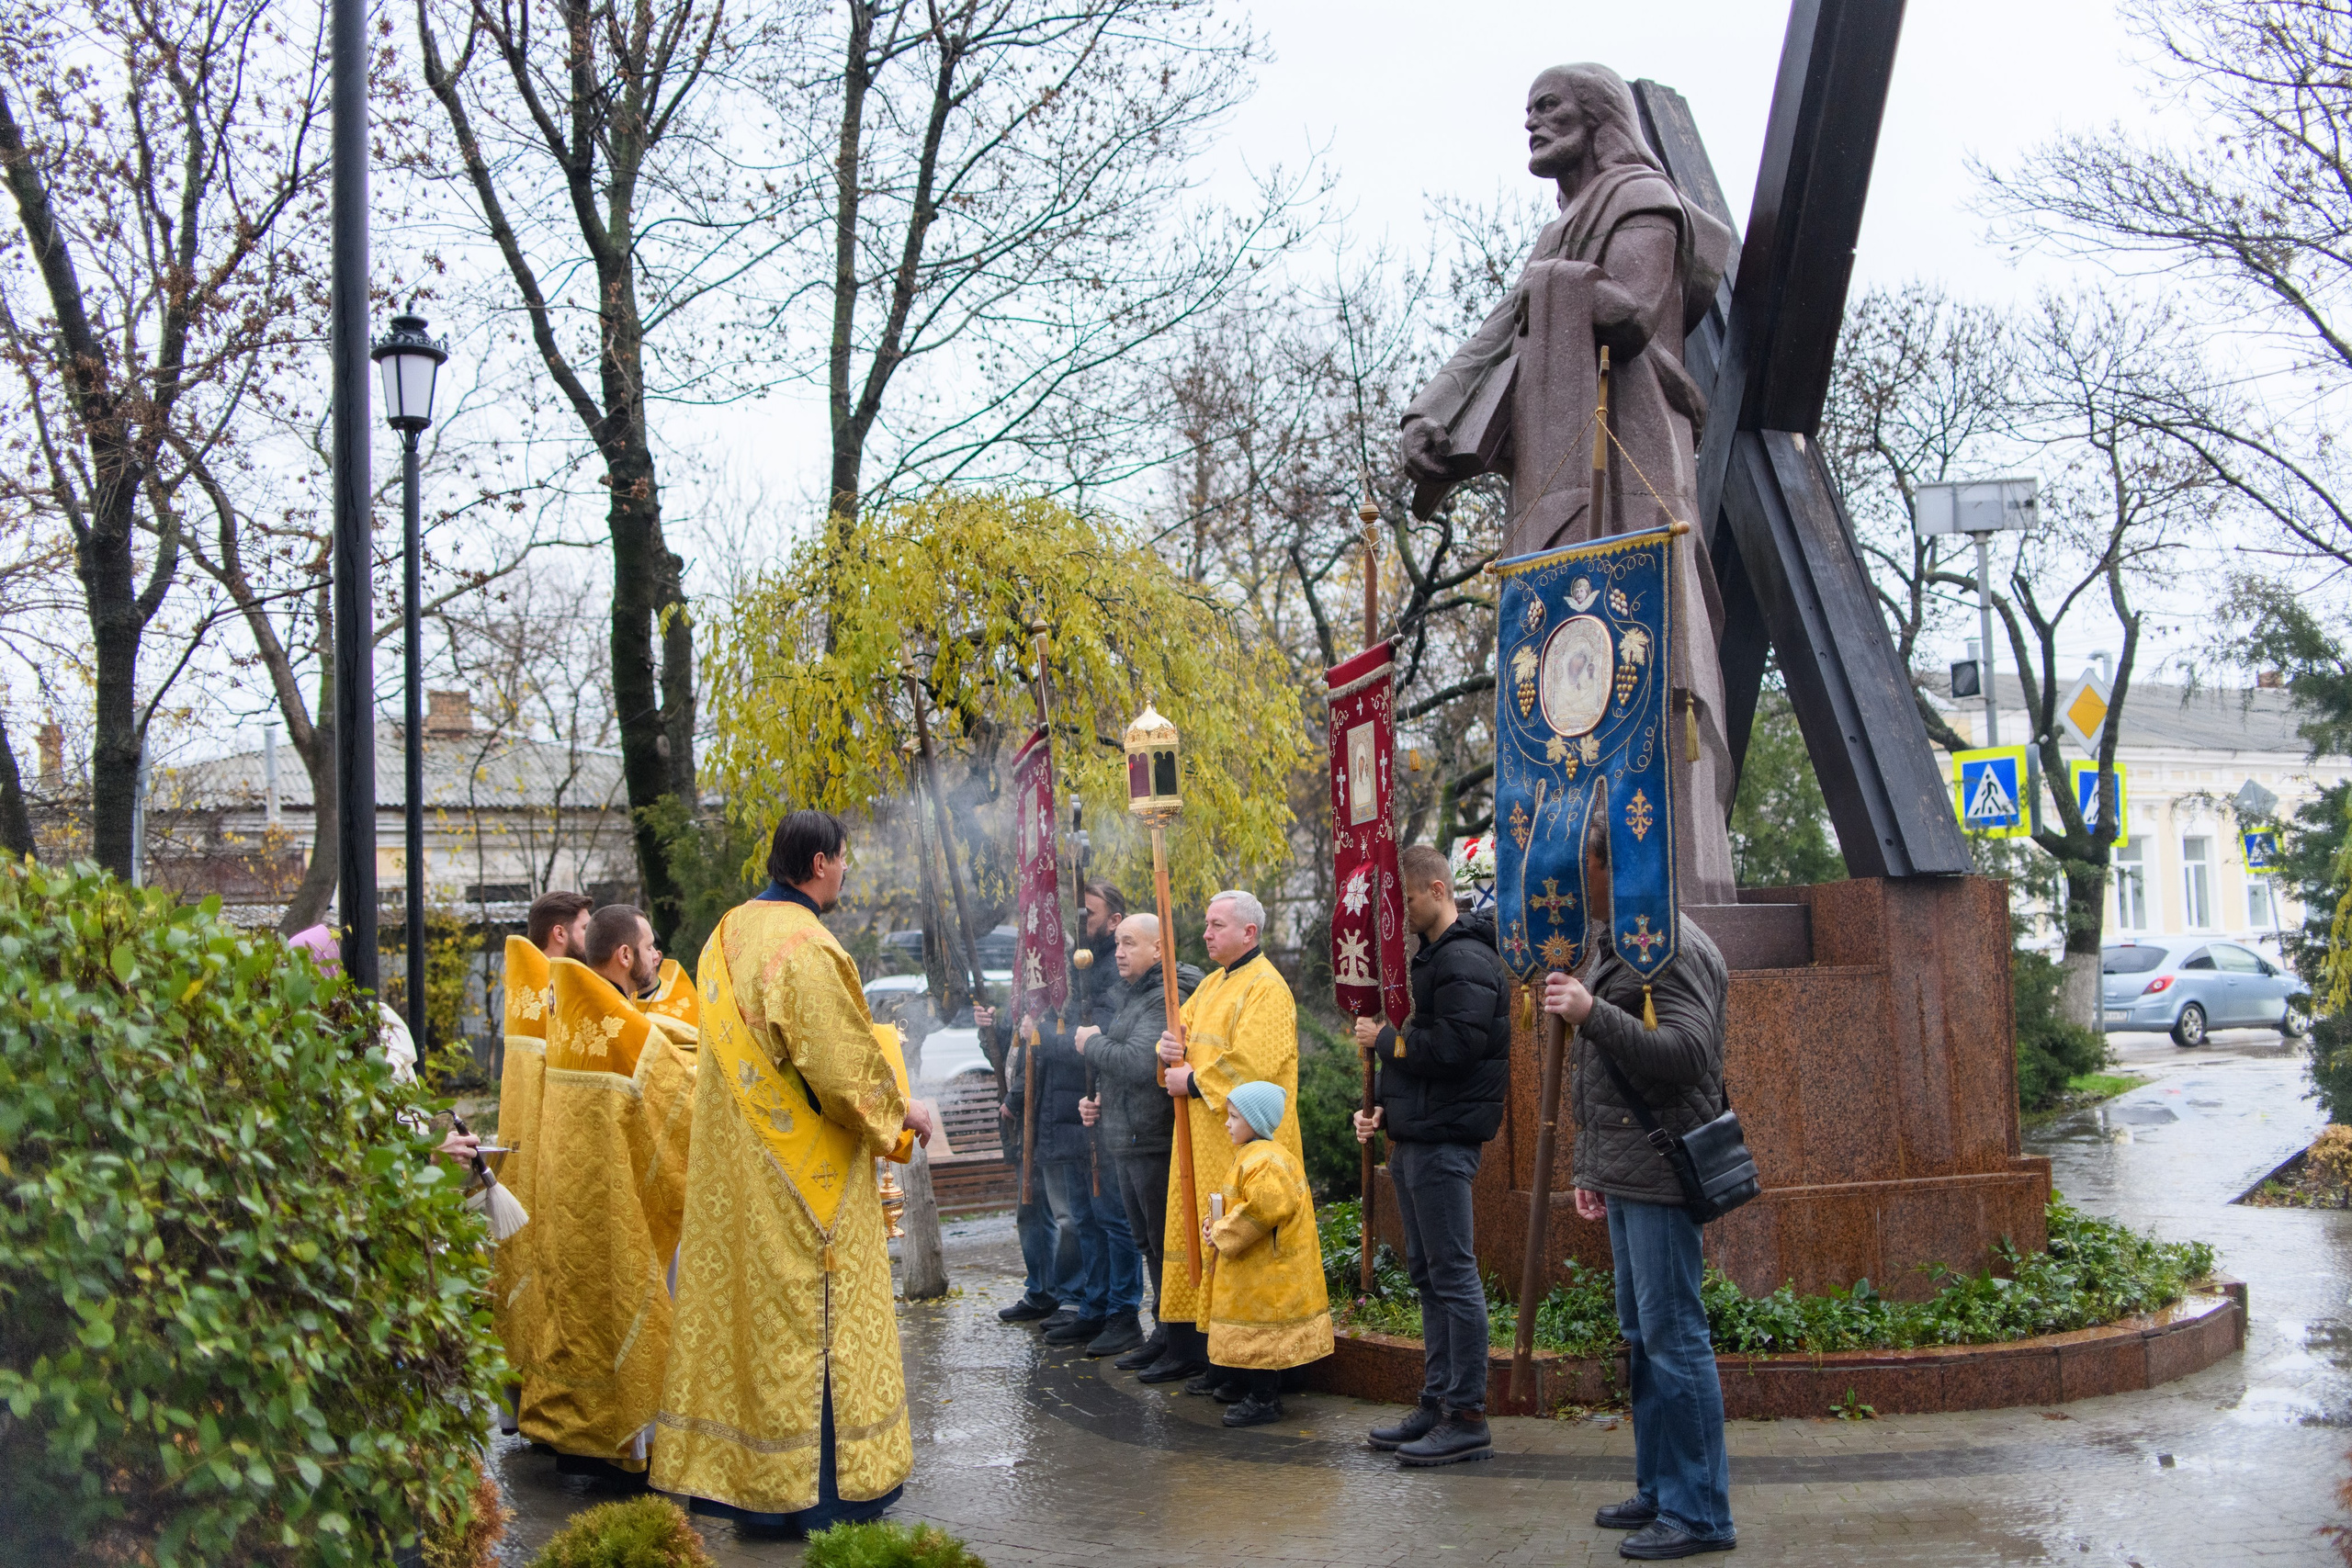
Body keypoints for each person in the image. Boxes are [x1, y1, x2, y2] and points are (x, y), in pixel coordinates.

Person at [1401, 62, 1738, 905]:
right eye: (1528, 112)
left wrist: (1564, 292)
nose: (1533, 124)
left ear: (1597, 118)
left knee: (1648, 646)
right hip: (1561, 465)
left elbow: (1631, 309)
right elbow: (1498, 332)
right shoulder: (1554, 240)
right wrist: (1430, 412)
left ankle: (1668, 865)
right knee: (1558, 657)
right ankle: (1570, 870)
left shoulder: (1643, 204)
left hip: (1633, 452)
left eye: (1548, 109)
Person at [653, 810, 935, 1535]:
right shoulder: (806, 947)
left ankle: (755, 1491)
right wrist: (902, 1115)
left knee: (756, 1332)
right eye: (843, 859)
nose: (845, 872)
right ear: (818, 863)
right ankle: (825, 1498)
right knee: (819, 1328)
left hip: (735, 1177)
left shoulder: (725, 933)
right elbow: (842, 1074)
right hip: (802, 1185)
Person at [1542, 847, 1736, 1560]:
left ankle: (1702, 1512)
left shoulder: (1669, 946)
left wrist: (1591, 1011)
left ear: (1611, 869)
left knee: (1674, 1338)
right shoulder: (1624, 942)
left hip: (1659, 1170)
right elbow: (1605, 1074)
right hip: (1630, 1169)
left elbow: (1686, 1053)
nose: (1568, 885)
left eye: (1579, 868)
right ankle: (1662, 1488)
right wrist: (1591, 1167)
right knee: (1645, 1338)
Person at [525, 905, 699, 1479]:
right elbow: (679, 1101)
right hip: (624, 1200)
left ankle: (584, 1436)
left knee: (581, 1316)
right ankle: (637, 1443)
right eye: (649, 945)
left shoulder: (566, 1004)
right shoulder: (618, 1023)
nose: (657, 955)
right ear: (624, 955)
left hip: (569, 1199)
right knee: (634, 1304)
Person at [1352, 843, 1511, 1466]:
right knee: (1428, 1273)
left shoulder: (1467, 955)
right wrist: (1385, 1111)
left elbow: (1455, 1048)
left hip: (1446, 1141)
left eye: (1409, 898)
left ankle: (1466, 1412)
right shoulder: (1435, 957)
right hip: (1421, 1135)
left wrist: (1389, 1042)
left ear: (1439, 889)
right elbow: (1425, 1058)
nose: (1403, 910)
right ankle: (1438, 1398)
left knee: (1452, 1273)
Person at [1137, 889, 1301, 1393]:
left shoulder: (1268, 988)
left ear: (1249, 932)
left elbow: (1251, 1064)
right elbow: (1177, 1048)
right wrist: (1167, 1053)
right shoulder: (1208, 985)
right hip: (1200, 1138)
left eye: (1217, 925)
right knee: (1202, 1236)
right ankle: (1214, 1359)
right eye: (1206, 925)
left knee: (1237, 1243)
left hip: (1244, 1142)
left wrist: (1192, 1081)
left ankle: (1249, 1370)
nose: (1205, 934)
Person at [1080, 912, 1201, 1368]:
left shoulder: (1168, 995)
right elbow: (1124, 1074)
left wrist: (1090, 1043)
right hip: (1128, 1136)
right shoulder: (1132, 994)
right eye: (1119, 943)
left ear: (1158, 949)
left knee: (1166, 1243)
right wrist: (1097, 1103)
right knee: (1148, 1243)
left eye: (1130, 943)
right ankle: (1164, 1333)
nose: (1120, 952)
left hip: (1155, 1139)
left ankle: (1183, 1344)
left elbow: (1136, 1062)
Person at [490, 889, 591, 1436]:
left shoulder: (529, 988)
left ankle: (530, 1405)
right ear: (559, 933)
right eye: (584, 926)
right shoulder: (549, 991)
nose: (589, 935)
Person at [1203, 1080, 1333, 1428]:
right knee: (1259, 1330)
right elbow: (1243, 1204)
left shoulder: (1265, 1160)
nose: (1227, 1123)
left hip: (1269, 1273)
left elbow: (1265, 1207)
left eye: (1234, 1117)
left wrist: (1222, 1231)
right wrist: (1215, 1224)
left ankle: (1263, 1399)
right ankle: (1253, 1388)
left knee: (1265, 1333)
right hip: (1259, 1267)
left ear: (1256, 1120)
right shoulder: (1258, 1155)